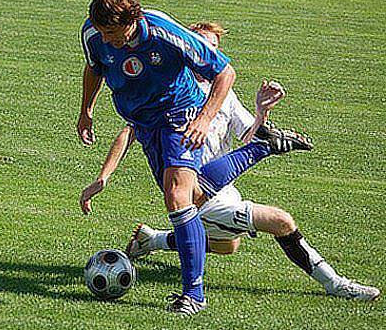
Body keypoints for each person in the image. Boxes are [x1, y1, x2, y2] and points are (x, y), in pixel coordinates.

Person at [77, 0, 312, 314]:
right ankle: (263, 147)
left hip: (179, 113)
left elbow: (225, 72)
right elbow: (95, 67)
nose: (106, 39)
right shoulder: (93, 33)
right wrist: (86, 110)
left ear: (133, 20)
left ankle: (193, 295)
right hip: (144, 124)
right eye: (101, 31)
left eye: (112, 32)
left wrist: (204, 118)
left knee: (177, 196)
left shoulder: (163, 32)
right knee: (196, 196)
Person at [113, 22, 380, 301]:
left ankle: (152, 239)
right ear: (186, 47)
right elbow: (131, 130)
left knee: (228, 245)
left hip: (223, 188)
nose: (207, 52)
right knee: (281, 221)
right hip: (196, 193)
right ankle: (336, 284)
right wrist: (104, 176)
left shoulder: (223, 94)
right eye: (200, 44)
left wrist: (261, 113)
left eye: (213, 47)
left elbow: (249, 135)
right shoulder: (172, 92)